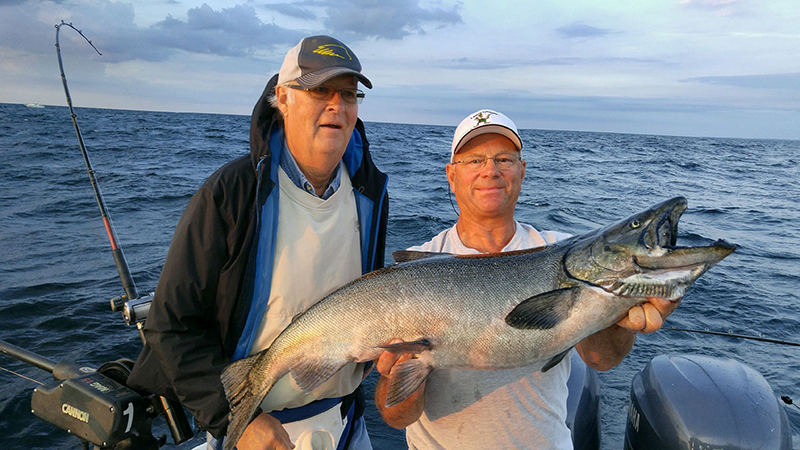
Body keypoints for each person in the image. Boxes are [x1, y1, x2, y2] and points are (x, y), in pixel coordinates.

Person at [127, 35, 389, 450]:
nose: (337, 105)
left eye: (348, 94)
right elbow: (172, 324)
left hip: (346, 424)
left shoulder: (371, 193)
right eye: (320, 90)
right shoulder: (230, 192)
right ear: (282, 98)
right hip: (253, 431)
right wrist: (234, 418)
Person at [374, 109, 679, 449]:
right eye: (474, 160)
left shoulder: (559, 250)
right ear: (451, 175)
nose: (490, 170)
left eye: (504, 159)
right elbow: (396, 417)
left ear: (522, 171)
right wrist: (399, 372)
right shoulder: (413, 273)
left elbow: (601, 359)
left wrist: (619, 311)